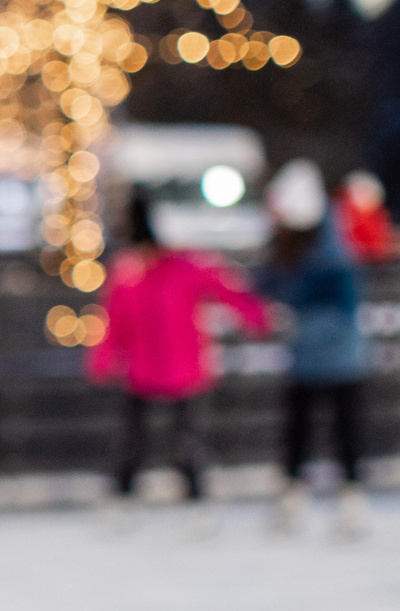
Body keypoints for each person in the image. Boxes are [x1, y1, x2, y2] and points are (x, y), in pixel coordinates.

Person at [87, 185, 271, 526]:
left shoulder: (188, 266)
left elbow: (229, 291)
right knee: (132, 440)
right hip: (141, 369)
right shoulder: (127, 274)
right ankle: (122, 496)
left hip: (184, 367)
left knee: (187, 440)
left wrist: (257, 319)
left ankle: (195, 500)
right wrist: (103, 360)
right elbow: (114, 322)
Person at [256, 161, 372, 539]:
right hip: (304, 360)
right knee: (298, 430)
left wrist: (296, 320)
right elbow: (269, 283)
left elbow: (342, 308)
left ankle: (350, 500)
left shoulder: (332, 254)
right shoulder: (288, 244)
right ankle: (293, 496)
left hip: (340, 359)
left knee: (344, 430)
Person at [335, 169, 394, 265]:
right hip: (359, 265)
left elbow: (380, 238)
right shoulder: (345, 213)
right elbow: (371, 249)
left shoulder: (373, 214)